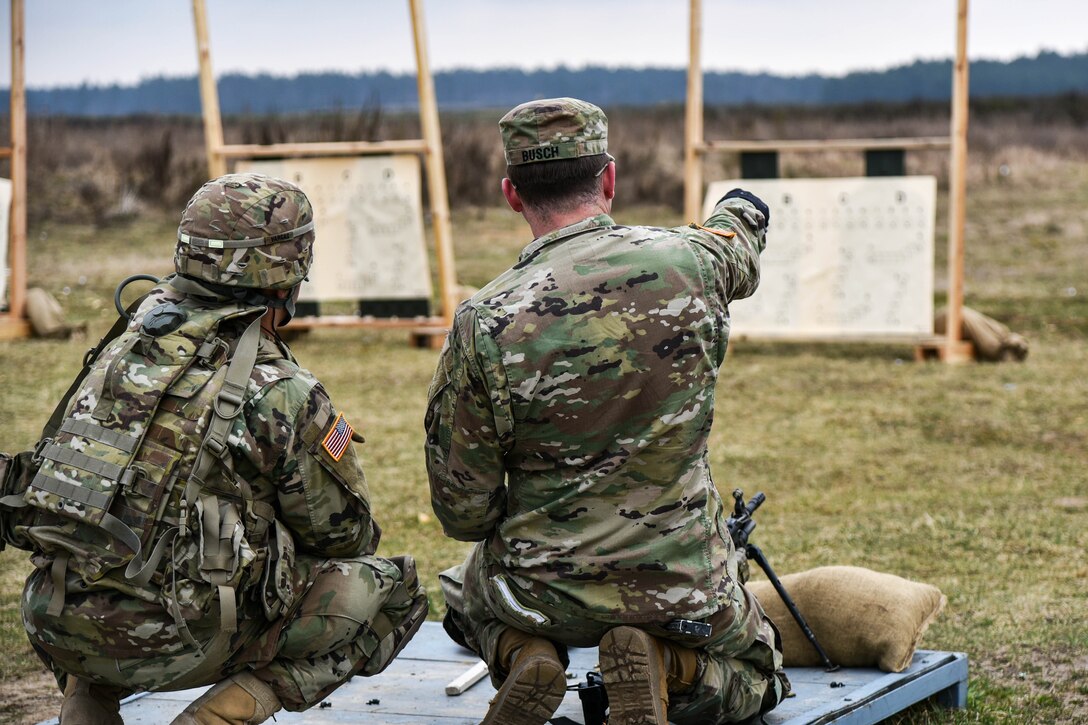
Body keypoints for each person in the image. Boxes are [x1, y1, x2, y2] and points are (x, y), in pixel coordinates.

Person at [0, 173, 427, 725]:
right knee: (391, 591)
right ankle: (224, 712)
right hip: (182, 640)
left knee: (105, 557)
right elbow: (346, 535)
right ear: (290, 272)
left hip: (54, 617)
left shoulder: (122, 346)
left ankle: (87, 702)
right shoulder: (283, 389)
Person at [424, 98, 790, 725]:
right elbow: (734, 247)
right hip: (679, 582)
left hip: (538, 591)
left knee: (462, 598)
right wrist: (743, 209)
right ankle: (667, 664)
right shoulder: (691, 266)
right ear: (610, 179)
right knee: (760, 675)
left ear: (513, 195)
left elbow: (463, 510)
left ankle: (527, 655)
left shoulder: (483, 321)